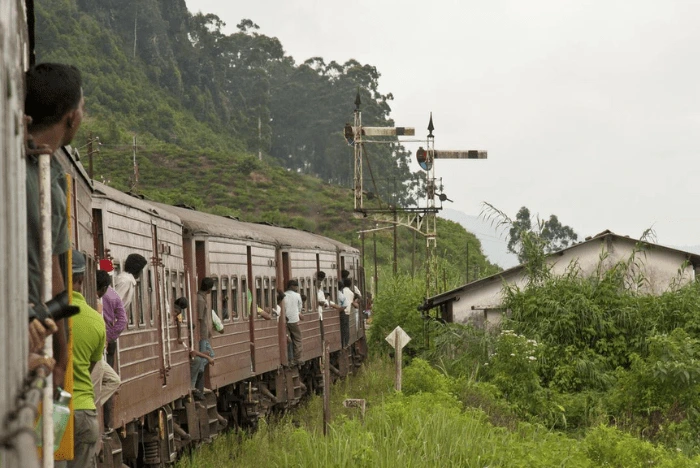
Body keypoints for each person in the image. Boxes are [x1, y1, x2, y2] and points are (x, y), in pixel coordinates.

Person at [25, 63, 85, 387]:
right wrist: (63, 359)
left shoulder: (40, 171)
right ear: (71, 117)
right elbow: (54, 278)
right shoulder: (51, 183)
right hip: (25, 335)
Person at [62, 251, 106, 468]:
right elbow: (88, 367)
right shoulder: (96, 321)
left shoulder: (44, 315)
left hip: (52, 411)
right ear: (81, 280)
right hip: (84, 412)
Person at [90, 270, 122, 431]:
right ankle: (91, 408)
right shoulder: (104, 301)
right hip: (99, 351)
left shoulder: (95, 302)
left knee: (111, 380)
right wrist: (110, 337)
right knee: (111, 381)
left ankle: (91, 407)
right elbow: (122, 320)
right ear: (103, 288)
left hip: (99, 348)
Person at [172, 297, 214, 401]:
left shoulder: (176, 311)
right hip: (189, 355)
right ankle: (192, 386)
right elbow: (193, 352)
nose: (175, 313)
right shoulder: (179, 314)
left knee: (201, 359)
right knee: (198, 361)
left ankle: (195, 387)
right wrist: (180, 337)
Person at [191, 278, 222, 396]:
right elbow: (199, 319)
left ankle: (199, 384)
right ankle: (199, 386)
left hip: (204, 333)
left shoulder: (202, 298)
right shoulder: (200, 300)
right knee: (204, 357)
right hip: (201, 335)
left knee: (211, 355)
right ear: (209, 289)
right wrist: (199, 335)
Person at [283, 280, 304, 366]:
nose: (296, 288)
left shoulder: (284, 295)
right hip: (294, 320)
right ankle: (297, 358)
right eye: (296, 286)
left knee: (288, 340)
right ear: (292, 286)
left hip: (285, 320)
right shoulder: (297, 295)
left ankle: (289, 358)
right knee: (297, 339)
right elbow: (300, 308)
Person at [340, 278, 358, 348]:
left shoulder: (341, 291)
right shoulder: (351, 293)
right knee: (346, 329)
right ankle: (346, 343)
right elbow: (351, 302)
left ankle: (342, 343)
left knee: (342, 329)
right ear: (350, 285)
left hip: (341, 311)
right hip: (347, 312)